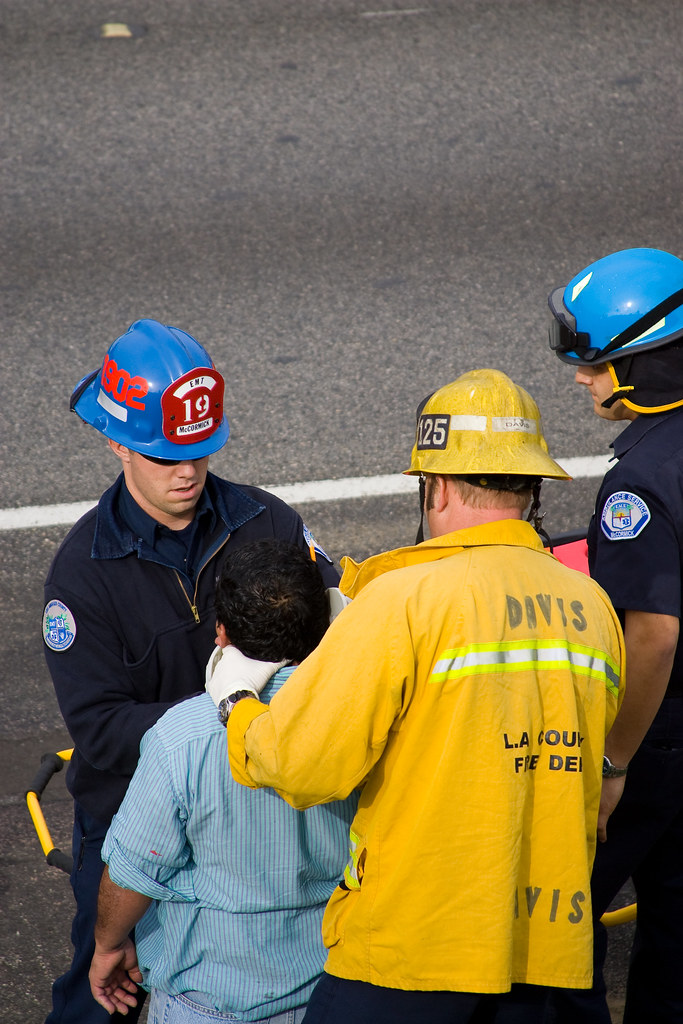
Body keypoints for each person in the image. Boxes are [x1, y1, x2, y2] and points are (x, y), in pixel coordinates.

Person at [210, 368, 627, 1024]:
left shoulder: (403, 601)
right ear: (531, 487)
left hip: (414, 950)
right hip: (551, 953)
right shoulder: (591, 605)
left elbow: (299, 765)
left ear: (435, 485)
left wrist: (237, 704)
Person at [42, 318, 339, 1024]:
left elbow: (338, 641)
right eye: (165, 455)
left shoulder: (270, 524)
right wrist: (220, 715)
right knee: (101, 993)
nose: (188, 472)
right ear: (117, 442)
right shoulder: (81, 575)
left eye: (201, 452)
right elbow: (101, 732)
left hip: (268, 795)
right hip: (131, 818)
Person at [88, 538, 358, 1023]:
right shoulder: (368, 719)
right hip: (337, 990)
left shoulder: (180, 738)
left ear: (221, 632)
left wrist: (107, 945)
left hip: (207, 1002)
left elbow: (133, 873)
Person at [547, 247, 683, 1023]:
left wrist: (611, 763)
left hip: (656, 737)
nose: (580, 378)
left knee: (563, 916)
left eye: (595, 364)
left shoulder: (637, 481)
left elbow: (653, 637)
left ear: (643, 365)